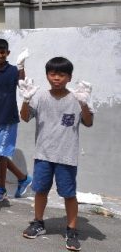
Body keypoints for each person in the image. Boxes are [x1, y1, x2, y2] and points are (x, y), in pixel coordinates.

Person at [19, 57, 93, 251]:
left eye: (62, 74)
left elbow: (89, 122)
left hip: (67, 156)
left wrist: (84, 104)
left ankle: (71, 229)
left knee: (69, 194)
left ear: (69, 77)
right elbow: (25, 118)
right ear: (47, 76)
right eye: (53, 74)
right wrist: (26, 100)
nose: (57, 78)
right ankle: (38, 223)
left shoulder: (77, 98)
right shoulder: (39, 96)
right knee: (40, 190)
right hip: (43, 154)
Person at [0, 38, 32, 202]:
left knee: (0, 154)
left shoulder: (13, 71)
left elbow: (22, 84)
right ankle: (23, 178)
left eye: (2, 52)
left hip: (8, 119)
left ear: (7, 53)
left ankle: (1, 188)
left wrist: (21, 67)